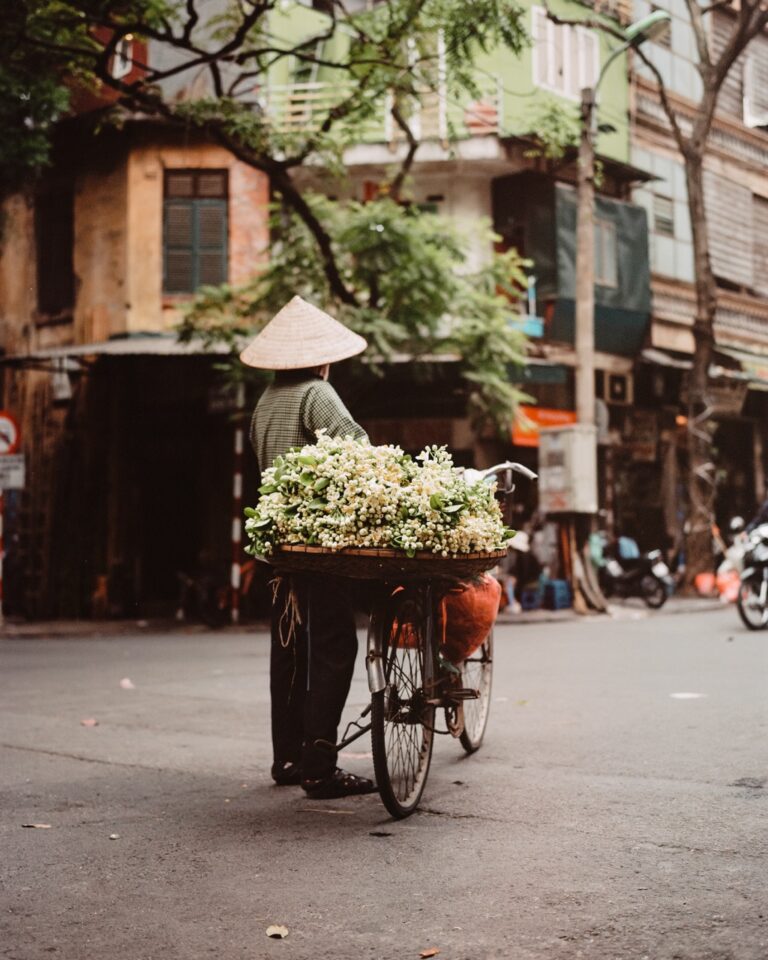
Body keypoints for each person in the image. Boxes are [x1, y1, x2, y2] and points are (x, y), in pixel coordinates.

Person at [241, 295, 377, 800]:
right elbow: (357, 452)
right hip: (318, 544)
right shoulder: (317, 394)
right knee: (335, 645)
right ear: (321, 358)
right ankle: (319, 766)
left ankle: (289, 757)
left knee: (289, 648)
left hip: (278, 548)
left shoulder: (265, 402)